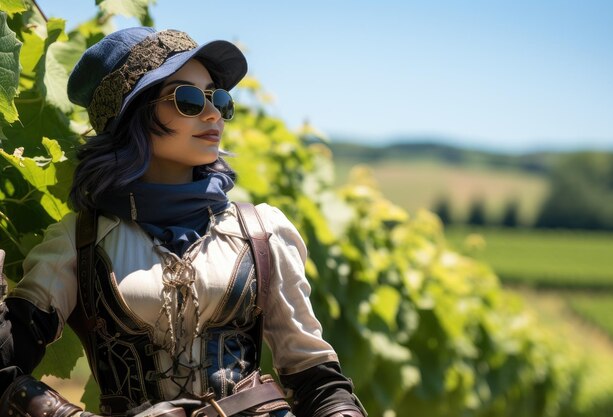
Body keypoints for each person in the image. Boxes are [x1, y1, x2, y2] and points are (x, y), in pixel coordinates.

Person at [0, 27, 366, 417]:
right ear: (132, 114)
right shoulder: (78, 242)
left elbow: (318, 380)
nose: (213, 114)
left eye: (219, 98)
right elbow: (5, 369)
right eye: (188, 99)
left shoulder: (261, 231)